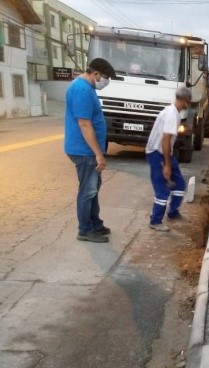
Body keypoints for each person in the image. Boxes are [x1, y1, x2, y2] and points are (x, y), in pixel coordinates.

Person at [64, 57, 116, 243]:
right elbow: (85, 124)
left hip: (87, 151)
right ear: (96, 74)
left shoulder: (87, 88)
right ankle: (85, 229)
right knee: (87, 190)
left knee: (93, 188)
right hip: (84, 151)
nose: (106, 82)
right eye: (106, 78)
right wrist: (98, 153)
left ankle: (95, 223)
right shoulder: (82, 90)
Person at [145, 87, 191, 231]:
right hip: (156, 153)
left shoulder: (173, 112)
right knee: (162, 190)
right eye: (187, 102)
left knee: (179, 184)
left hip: (163, 152)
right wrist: (167, 165)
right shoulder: (172, 114)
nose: (187, 105)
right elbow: (165, 140)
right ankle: (155, 221)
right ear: (183, 100)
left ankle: (173, 212)